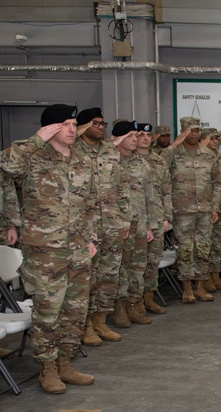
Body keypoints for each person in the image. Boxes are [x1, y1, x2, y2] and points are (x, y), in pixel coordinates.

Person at [1, 104, 99, 394]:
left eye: (73, 125)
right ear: (50, 128)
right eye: (65, 125)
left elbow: (91, 204)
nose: (72, 130)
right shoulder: (32, 157)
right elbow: (6, 165)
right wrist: (36, 139)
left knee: (75, 310)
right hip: (45, 251)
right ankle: (48, 368)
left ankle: (66, 362)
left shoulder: (82, 161)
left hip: (78, 248)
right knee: (48, 311)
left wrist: (91, 238)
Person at [71, 108, 131, 342]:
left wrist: (125, 219)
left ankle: (100, 321)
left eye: (102, 123)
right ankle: (85, 325)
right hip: (86, 226)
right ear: (83, 126)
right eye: (94, 123)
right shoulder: (72, 149)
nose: (100, 127)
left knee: (108, 275)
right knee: (88, 277)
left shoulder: (110, 151)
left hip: (112, 221)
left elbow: (122, 186)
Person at [163, 117, 221, 303]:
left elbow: (217, 182)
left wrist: (214, 206)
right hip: (182, 211)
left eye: (197, 130)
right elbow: (158, 164)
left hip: (205, 210)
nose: (194, 134)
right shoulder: (174, 153)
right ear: (183, 131)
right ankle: (186, 288)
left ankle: (200, 286)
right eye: (190, 131)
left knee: (204, 248)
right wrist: (175, 143)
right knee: (185, 249)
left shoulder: (208, 154)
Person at [113, 121, 159, 327]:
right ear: (119, 137)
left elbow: (150, 197)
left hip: (139, 224)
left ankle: (134, 304)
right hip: (115, 226)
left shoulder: (142, 164)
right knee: (118, 269)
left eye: (136, 135)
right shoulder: (107, 161)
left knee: (137, 269)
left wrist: (150, 225)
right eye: (131, 135)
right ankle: (119, 308)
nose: (135, 139)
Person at [137, 122, 172, 315]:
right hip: (135, 219)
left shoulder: (158, 161)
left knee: (152, 261)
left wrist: (167, 216)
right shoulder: (124, 160)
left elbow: (166, 191)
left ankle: (148, 298)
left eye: (147, 135)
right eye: (140, 134)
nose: (144, 138)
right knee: (134, 265)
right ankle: (132, 304)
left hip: (157, 218)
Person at [200, 127, 221, 292]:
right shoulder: (200, 158)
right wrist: (212, 207)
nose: (215, 141)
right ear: (203, 139)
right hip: (207, 209)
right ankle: (204, 278)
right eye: (212, 138)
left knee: (219, 245)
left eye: (217, 139)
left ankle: (215, 275)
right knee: (206, 245)